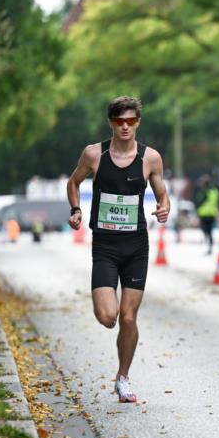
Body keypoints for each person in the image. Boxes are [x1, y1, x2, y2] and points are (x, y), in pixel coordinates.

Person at [67, 96, 170, 403]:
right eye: (119, 122)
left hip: (137, 246)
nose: (125, 127)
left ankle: (122, 378)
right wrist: (75, 209)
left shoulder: (150, 158)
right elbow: (73, 182)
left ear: (138, 122)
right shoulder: (94, 154)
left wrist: (164, 209)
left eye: (131, 121)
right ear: (111, 123)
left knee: (127, 318)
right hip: (106, 246)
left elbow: (163, 195)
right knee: (107, 316)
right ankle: (121, 369)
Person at [195, 175, 219, 254]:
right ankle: (210, 245)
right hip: (212, 214)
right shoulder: (215, 191)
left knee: (205, 230)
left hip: (204, 214)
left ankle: (209, 245)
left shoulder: (204, 192)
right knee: (210, 231)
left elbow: (199, 201)